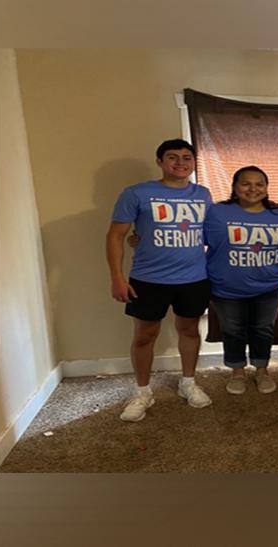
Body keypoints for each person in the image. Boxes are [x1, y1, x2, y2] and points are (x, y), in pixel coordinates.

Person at [106, 139, 213, 422]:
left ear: (193, 162)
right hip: (148, 279)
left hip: (194, 277)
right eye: (173, 157)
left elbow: (210, 233)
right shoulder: (136, 193)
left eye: (187, 157)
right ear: (160, 161)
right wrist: (117, 277)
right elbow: (116, 235)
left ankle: (188, 382)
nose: (180, 163)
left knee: (189, 331)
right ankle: (142, 391)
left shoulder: (203, 194)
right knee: (144, 336)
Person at [204, 166, 278, 395]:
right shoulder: (216, 212)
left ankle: (261, 371)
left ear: (266, 187)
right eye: (246, 183)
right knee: (232, 330)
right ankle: (237, 372)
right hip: (226, 286)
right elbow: (191, 238)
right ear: (234, 187)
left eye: (259, 184)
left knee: (263, 329)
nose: (253, 189)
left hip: (269, 285)